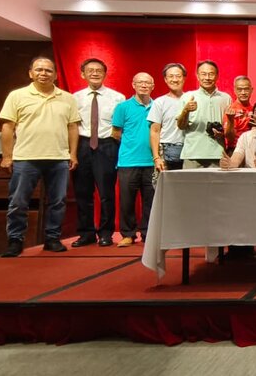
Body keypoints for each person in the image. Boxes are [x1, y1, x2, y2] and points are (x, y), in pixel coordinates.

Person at [0, 56, 81, 257]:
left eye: (48, 70)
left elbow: (72, 127)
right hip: (25, 158)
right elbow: (8, 127)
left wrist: (72, 154)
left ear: (56, 75)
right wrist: (7, 156)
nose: (43, 73)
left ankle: (52, 238)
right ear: (30, 73)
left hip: (58, 158)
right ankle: (15, 240)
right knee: (18, 201)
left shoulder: (67, 98)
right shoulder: (17, 96)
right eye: (39, 69)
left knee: (58, 201)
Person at [72, 58, 125, 248]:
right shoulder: (75, 98)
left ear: (105, 74)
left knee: (106, 193)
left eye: (99, 70)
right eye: (90, 70)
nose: (94, 73)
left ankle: (105, 233)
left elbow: (121, 125)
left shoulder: (117, 97)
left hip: (107, 145)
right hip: (82, 144)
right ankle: (86, 233)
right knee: (83, 192)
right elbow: (72, 125)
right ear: (83, 74)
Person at [110, 72, 155, 248]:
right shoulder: (123, 107)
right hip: (128, 162)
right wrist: (133, 144)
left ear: (153, 86)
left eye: (147, 83)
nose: (144, 85)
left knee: (150, 201)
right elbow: (116, 133)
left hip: (152, 161)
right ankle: (128, 234)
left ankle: (148, 233)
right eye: (140, 82)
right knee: (127, 201)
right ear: (133, 85)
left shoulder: (158, 106)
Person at [177, 60, 232, 169]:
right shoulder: (187, 97)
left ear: (217, 76)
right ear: (197, 76)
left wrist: (222, 133)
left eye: (211, 74)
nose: (207, 77)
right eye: (203, 74)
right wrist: (186, 111)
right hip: (192, 154)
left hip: (218, 154)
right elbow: (181, 126)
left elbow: (229, 131)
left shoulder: (226, 98)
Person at [148, 63, 187, 174]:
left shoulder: (191, 99)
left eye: (178, 76)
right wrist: (156, 157)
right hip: (166, 150)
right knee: (165, 183)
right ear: (165, 79)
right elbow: (155, 131)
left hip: (189, 151)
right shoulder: (159, 102)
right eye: (171, 76)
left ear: (184, 78)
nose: (175, 80)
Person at [223, 75, 254, 154]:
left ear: (251, 90)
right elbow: (229, 138)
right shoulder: (231, 110)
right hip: (235, 150)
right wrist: (230, 120)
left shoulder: (255, 109)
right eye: (239, 89)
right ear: (235, 90)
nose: (243, 93)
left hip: (252, 149)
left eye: (246, 89)